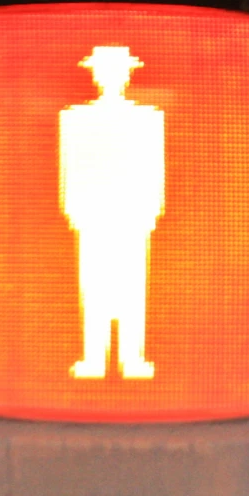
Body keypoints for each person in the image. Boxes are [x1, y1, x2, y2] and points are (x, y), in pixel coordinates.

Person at [58, 46, 166, 379]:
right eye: (104, 71)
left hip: (133, 215)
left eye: (117, 72)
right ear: (95, 75)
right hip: (93, 215)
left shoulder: (147, 118)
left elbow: (154, 167)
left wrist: (151, 210)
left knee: (133, 288)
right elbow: (69, 167)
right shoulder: (75, 118)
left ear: (127, 76)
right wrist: (74, 209)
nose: (110, 78)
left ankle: (132, 358)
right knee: (93, 287)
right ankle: (94, 358)